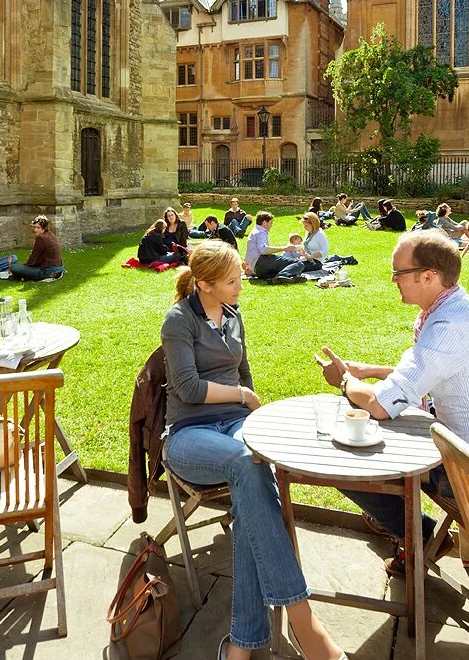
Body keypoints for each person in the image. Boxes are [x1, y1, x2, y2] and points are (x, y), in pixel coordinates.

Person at [160, 241, 347, 660]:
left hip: (236, 424)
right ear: (204, 284)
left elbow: (243, 370)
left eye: (239, 277)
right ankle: (303, 620)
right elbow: (188, 388)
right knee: (249, 464)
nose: (240, 285)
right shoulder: (178, 321)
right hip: (189, 433)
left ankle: (242, 647)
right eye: (231, 281)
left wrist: (252, 405)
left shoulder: (232, 314)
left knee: (254, 481)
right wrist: (243, 395)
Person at [314, 230, 469, 575]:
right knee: (376, 433)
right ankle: (399, 521)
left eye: (398, 272)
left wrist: (343, 381)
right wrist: (369, 370)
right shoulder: (468, 308)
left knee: (342, 453)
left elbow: (380, 406)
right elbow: (440, 370)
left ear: (428, 276)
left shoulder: (448, 328)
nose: (393, 280)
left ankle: (418, 533)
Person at [243, 211, 304, 283]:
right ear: (264, 222)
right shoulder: (260, 233)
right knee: (299, 264)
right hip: (262, 263)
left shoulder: (254, 231)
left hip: (258, 270)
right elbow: (264, 250)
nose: (271, 225)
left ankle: (287, 277)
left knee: (283, 266)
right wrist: (285, 248)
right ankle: (281, 276)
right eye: (271, 223)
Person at [7, 216, 65, 282]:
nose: (35, 230)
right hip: (60, 268)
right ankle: (23, 277)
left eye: (38, 228)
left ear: (44, 227)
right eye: (35, 227)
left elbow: (32, 260)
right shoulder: (52, 235)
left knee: (13, 267)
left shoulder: (41, 238)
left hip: (48, 271)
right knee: (22, 268)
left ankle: (22, 276)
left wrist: (24, 267)